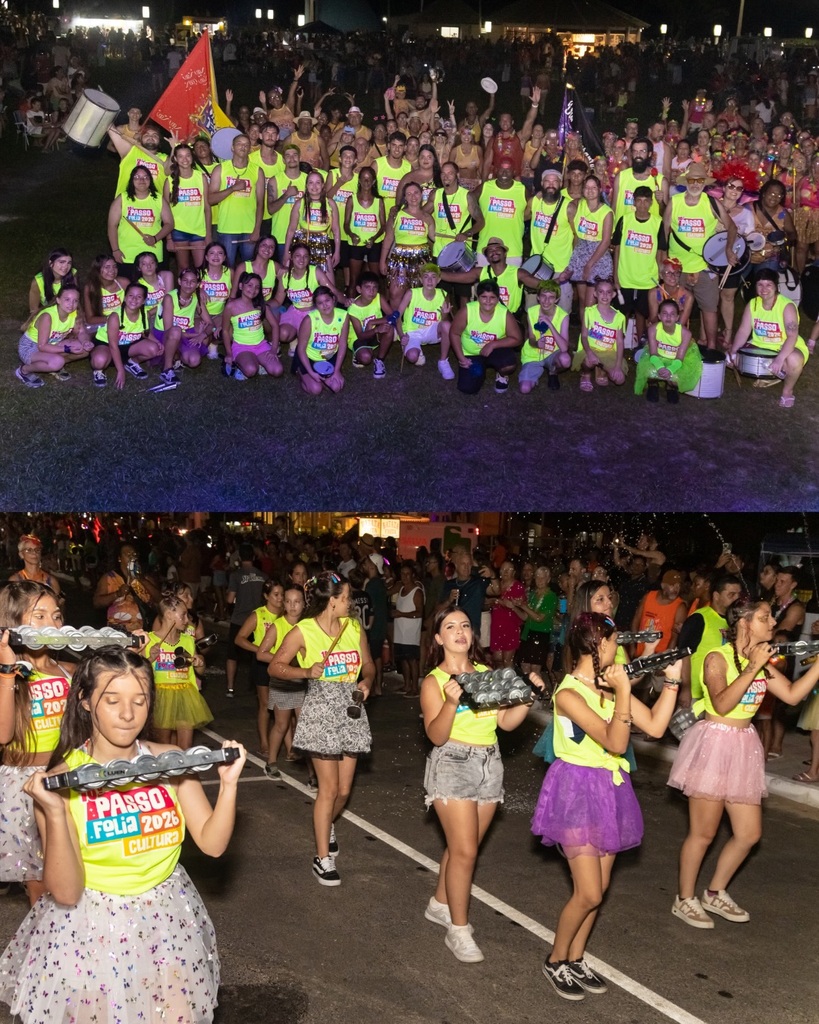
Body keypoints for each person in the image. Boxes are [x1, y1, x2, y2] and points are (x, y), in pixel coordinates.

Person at [0, 645, 245, 1024]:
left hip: (166, 920)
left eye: (140, 700)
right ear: (84, 701)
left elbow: (212, 845)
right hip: (91, 928)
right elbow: (65, 892)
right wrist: (52, 809)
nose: (128, 714)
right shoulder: (61, 782)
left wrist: (228, 787)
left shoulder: (169, 762)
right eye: (112, 700)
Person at [532, 613, 680, 1000]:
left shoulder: (606, 686)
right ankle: (554, 960)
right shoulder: (568, 693)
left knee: (602, 886)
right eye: (615, 641)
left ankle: (576, 958)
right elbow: (615, 741)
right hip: (577, 791)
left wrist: (673, 681)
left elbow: (658, 727)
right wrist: (625, 692)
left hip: (610, 789)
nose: (621, 649)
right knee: (589, 893)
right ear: (598, 644)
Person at [669, 599, 819, 928]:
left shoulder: (761, 661)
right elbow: (721, 705)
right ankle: (684, 898)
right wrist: (752, 668)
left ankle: (715, 891)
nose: (772, 623)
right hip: (714, 743)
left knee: (749, 834)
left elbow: (792, 695)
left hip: (743, 747)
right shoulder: (716, 658)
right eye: (765, 618)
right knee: (704, 833)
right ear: (744, 623)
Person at [421, 607, 545, 963]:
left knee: (464, 846)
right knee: (465, 852)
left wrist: (526, 697)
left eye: (465, 625)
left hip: (490, 764)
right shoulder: (433, 682)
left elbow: (506, 723)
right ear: (439, 638)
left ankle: (439, 903)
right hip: (452, 764)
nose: (459, 631)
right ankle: (459, 930)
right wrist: (449, 702)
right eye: (450, 626)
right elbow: (436, 735)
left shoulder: (489, 675)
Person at [270, 572, 375, 886]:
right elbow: (276, 665)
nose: (350, 602)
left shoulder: (353, 627)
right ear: (332, 601)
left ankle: (326, 823)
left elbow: (368, 663)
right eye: (346, 597)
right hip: (320, 706)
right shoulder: (304, 631)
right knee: (327, 790)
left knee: (343, 791)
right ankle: (322, 858)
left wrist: (367, 680)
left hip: (351, 706)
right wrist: (306, 670)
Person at [0, 582, 71, 905]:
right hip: (22, 786)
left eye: (56, 616)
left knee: (70, 876)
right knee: (39, 885)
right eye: (38, 616)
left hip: (65, 778)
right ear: (14, 625)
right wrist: (7, 673)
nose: (51, 625)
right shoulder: (9, 675)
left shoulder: (69, 670)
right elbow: (3, 735)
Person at [663, 163, 737, 350]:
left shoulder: (711, 203)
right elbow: (663, 233)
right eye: (692, 180)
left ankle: (711, 349)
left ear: (704, 183)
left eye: (699, 180)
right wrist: (662, 262)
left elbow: (732, 227)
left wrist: (728, 249)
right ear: (686, 181)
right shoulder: (675, 202)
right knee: (672, 309)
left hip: (705, 266)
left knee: (710, 308)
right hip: (677, 267)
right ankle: (670, 346)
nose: (695, 184)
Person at [728, 269, 809, 408]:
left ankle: (787, 391)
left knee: (794, 360)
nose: (764, 289)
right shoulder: (752, 304)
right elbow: (743, 330)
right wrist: (734, 351)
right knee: (728, 358)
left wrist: (780, 358)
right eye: (760, 284)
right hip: (760, 345)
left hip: (786, 345)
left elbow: (792, 336)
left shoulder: (787, 306)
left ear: (776, 286)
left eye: (768, 285)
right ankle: (775, 374)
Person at [255, 584, 311, 780]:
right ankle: (270, 762)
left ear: (304, 603)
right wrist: (283, 660)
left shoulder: (309, 625)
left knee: (305, 726)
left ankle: (313, 773)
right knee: (281, 724)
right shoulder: (277, 626)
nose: (292, 606)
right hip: (282, 682)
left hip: (303, 682)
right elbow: (261, 654)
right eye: (288, 601)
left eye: (297, 601)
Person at [146, 595, 213, 750]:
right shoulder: (149, 640)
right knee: (164, 747)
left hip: (185, 695)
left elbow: (200, 672)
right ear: (169, 615)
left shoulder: (188, 641)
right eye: (183, 615)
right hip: (161, 697)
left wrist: (199, 662)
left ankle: (181, 775)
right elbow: (138, 672)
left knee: (185, 747)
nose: (187, 620)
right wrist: (150, 658)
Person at [676, 574, 743, 713]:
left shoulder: (737, 623)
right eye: (731, 594)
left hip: (723, 693)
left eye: (738, 594)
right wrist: (686, 688)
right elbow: (683, 654)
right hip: (696, 693)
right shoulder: (699, 618)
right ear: (716, 596)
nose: (736, 599)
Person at [234, 579, 285, 761]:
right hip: (263, 664)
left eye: (281, 594)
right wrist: (259, 650)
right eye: (275, 595)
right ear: (266, 596)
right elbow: (239, 638)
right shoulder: (259, 615)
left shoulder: (286, 614)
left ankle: (288, 744)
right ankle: (264, 741)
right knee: (265, 704)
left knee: (284, 703)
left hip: (282, 664)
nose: (280, 599)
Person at [450, 279, 522, 395]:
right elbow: (454, 333)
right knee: (468, 388)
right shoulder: (467, 311)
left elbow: (517, 338)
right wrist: (461, 358)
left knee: (508, 364)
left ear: (498, 299)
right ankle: (480, 369)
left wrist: (493, 344)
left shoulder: (504, 313)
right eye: (484, 297)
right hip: (471, 353)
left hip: (496, 351)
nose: (488, 301)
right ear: (478, 297)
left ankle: (502, 374)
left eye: (492, 297)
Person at [16, 284, 93, 389]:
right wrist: (67, 349)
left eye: (75, 301)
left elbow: (82, 333)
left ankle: (53, 365)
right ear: (58, 300)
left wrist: (85, 342)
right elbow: (42, 346)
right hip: (30, 347)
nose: (71, 304)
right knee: (57, 362)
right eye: (67, 299)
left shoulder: (74, 313)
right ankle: (24, 370)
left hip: (52, 343)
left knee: (83, 350)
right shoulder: (47, 316)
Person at [208, 133, 264, 267]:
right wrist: (232, 188)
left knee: (249, 269)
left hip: (249, 229)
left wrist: (257, 229)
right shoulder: (220, 169)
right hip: (227, 228)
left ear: (250, 148)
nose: (243, 147)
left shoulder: (257, 171)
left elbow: (260, 203)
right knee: (227, 267)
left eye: (246, 145)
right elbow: (210, 199)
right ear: (232, 147)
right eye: (239, 144)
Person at [91, 282, 161, 389]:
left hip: (128, 346)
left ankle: (131, 363)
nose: (134, 299)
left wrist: (157, 342)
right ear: (124, 297)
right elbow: (113, 345)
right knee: (99, 361)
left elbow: (145, 333)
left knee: (153, 349)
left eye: (139, 297)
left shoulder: (144, 314)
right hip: (108, 346)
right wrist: (120, 371)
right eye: (131, 296)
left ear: (143, 301)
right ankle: (99, 371)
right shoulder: (115, 317)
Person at [634, 298, 702, 402]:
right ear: (659, 316)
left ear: (677, 317)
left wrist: (670, 370)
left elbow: (680, 358)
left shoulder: (685, 333)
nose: (668, 317)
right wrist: (660, 367)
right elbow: (653, 353)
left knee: (675, 378)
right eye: (665, 313)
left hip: (676, 360)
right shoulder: (653, 329)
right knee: (648, 370)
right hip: (658, 357)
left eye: (672, 314)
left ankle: (671, 387)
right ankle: (653, 384)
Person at [107, 166, 173, 274]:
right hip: (126, 254)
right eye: (137, 177)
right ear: (132, 180)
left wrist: (155, 238)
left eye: (146, 177)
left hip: (152, 254)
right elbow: (112, 226)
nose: (142, 180)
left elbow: (169, 223)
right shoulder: (122, 199)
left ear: (150, 180)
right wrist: (115, 250)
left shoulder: (158, 199)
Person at [222, 271, 282, 381]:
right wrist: (229, 353)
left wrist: (273, 349)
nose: (253, 289)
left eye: (257, 287)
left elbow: (275, 325)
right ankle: (243, 364)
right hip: (241, 346)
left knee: (277, 370)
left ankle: (257, 360)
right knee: (251, 370)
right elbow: (225, 330)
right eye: (249, 285)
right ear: (241, 286)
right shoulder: (231, 306)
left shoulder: (260, 305)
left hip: (261, 345)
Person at [225, 544, 268, 698]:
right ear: (254, 557)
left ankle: (230, 688)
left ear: (240, 558)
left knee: (232, 655)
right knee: (257, 654)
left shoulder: (236, 576)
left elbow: (230, 600)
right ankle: (258, 688)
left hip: (239, 620)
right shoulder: (263, 576)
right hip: (258, 620)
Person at [396, 262, 452, 377]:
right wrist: (402, 336)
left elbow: (443, 321)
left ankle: (443, 361)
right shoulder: (411, 293)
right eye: (426, 277)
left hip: (431, 330)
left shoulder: (443, 294)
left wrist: (445, 315)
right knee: (412, 357)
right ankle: (416, 349)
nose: (430, 281)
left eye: (433, 277)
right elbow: (397, 316)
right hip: (413, 332)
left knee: (447, 325)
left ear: (439, 279)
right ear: (421, 280)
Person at [164, 142, 212, 270]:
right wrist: (168, 238)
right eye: (180, 156)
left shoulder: (201, 177)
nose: (185, 159)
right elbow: (165, 211)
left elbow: (207, 208)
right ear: (175, 159)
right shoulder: (169, 180)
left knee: (202, 267)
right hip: (178, 230)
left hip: (199, 230)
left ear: (192, 157)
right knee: (183, 268)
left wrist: (208, 235)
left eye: (188, 155)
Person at [519, 279, 571, 393]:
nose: (546, 301)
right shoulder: (532, 312)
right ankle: (535, 371)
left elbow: (564, 348)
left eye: (551, 297)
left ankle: (553, 371)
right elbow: (531, 338)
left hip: (553, 352)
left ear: (557, 299)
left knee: (565, 359)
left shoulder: (563, 316)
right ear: (538, 297)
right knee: (524, 389)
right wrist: (537, 343)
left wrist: (550, 325)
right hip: (534, 354)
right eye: (543, 296)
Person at [574, 279, 626, 391]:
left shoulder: (619, 317)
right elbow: (583, 336)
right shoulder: (589, 312)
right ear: (595, 294)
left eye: (608, 292)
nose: (605, 295)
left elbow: (620, 342)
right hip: (591, 349)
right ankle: (586, 374)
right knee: (588, 360)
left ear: (613, 294)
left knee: (619, 380)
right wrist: (589, 352)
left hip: (608, 351)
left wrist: (617, 366)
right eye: (601, 292)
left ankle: (601, 370)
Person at [631, 570, 686, 655]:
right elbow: (636, 620)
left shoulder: (680, 606)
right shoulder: (649, 596)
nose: (676, 589)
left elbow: (674, 638)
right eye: (672, 585)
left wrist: (665, 660)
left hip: (659, 657)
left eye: (678, 585)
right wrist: (632, 646)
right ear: (663, 585)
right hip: (640, 653)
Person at [391, 561, 425, 697]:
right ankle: (406, 685)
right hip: (400, 632)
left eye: (407, 574)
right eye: (402, 574)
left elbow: (420, 612)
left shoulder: (417, 592)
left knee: (412, 661)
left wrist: (401, 614)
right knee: (403, 660)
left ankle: (414, 688)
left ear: (413, 576)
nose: (404, 577)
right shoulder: (400, 589)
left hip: (411, 633)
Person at [519, 564, 558, 679]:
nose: (539, 580)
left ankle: (537, 693)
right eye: (537, 577)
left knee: (535, 669)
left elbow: (539, 618)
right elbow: (525, 617)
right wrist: (514, 606)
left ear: (548, 579)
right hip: (527, 632)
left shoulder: (551, 596)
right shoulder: (533, 594)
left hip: (540, 634)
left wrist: (523, 606)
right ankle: (528, 693)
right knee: (524, 665)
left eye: (543, 578)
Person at [489, 560, 526, 668]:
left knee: (507, 660)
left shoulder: (518, 587)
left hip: (510, 626)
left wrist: (502, 603)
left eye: (508, 570)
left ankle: (509, 683)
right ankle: (500, 683)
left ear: (514, 572)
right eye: (503, 569)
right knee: (497, 659)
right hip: (496, 626)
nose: (505, 572)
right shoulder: (496, 585)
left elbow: (522, 608)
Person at [27, 248, 77, 315]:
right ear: (51, 263)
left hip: (68, 313)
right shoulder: (38, 281)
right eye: (61, 262)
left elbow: (77, 299)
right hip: (48, 314)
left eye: (69, 263)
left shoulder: (72, 274)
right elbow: (34, 309)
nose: (65, 266)